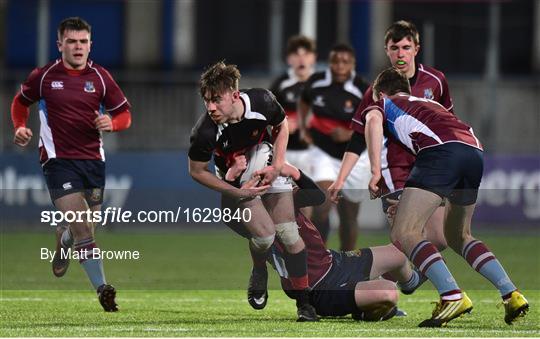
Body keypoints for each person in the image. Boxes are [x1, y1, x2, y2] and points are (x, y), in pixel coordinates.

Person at [360, 67, 529, 327]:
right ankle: (511, 293)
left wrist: (374, 172)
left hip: (441, 153)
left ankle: (451, 296)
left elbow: (372, 121)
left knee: (405, 232)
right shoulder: (428, 103)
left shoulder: (385, 102)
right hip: (473, 151)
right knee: (459, 235)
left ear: (380, 93)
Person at [11, 17, 132, 312]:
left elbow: (125, 114)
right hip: (57, 161)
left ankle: (63, 238)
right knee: (84, 228)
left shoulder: (101, 78)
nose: (78, 47)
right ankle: (103, 288)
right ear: (60, 44)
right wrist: (19, 127)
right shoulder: (44, 76)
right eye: (71, 41)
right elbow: (20, 102)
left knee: (86, 225)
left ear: (90, 45)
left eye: (83, 42)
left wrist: (112, 123)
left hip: (93, 161)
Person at [188, 61, 317, 321]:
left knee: (290, 235)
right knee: (266, 238)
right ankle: (259, 269)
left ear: (235, 95)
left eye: (217, 100)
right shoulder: (205, 132)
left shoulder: (262, 101)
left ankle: (305, 305)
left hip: (266, 162)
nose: (211, 107)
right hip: (235, 181)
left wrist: (278, 165)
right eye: (206, 101)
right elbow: (197, 170)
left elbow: (282, 126)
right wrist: (235, 190)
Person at [223, 162, 422, 321]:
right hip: (318, 289)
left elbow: (318, 197)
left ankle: (410, 283)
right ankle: (365, 308)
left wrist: (293, 171)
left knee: (399, 254)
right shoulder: (255, 222)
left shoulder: (282, 202)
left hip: (334, 263)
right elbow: (228, 216)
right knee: (387, 293)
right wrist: (231, 184)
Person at [330, 20, 451, 251]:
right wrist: (341, 178)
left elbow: (446, 122)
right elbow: (357, 139)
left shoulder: (436, 82)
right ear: (387, 51)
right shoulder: (376, 90)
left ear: (416, 48)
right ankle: (442, 287)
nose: (400, 54)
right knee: (406, 238)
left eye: (406, 47)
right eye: (394, 48)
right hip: (393, 172)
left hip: (429, 169)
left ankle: (402, 278)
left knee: (439, 238)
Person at [298, 43, 370, 250]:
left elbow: (375, 123)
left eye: (345, 62)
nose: (340, 66)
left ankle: (346, 263)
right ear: (330, 63)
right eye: (336, 61)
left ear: (352, 64)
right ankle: (321, 260)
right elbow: (304, 102)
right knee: (321, 206)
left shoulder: (363, 89)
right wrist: (303, 128)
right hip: (323, 153)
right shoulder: (316, 83)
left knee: (349, 216)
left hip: (355, 156)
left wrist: (348, 133)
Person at [270, 35, 317, 176]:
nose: (302, 59)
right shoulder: (280, 85)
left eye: (306, 55)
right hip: (286, 153)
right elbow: (267, 117)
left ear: (313, 58)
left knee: (318, 195)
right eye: (296, 55)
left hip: (315, 153)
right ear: (289, 59)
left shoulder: (322, 84)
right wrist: (281, 125)